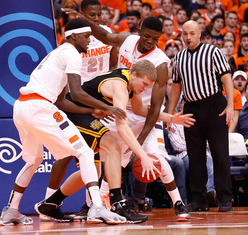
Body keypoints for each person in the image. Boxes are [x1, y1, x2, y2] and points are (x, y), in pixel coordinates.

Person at [0, 18, 128, 226]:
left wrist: (92, 111)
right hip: (39, 107)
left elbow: (62, 101)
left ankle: (11, 210)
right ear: (74, 36)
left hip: (22, 106)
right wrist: (107, 107)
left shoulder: (57, 53)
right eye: (87, 37)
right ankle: (96, 207)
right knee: (85, 152)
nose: (90, 41)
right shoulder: (72, 53)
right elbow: (77, 92)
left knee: (33, 161)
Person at [40, 60, 193, 223]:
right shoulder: (120, 87)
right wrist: (143, 156)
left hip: (83, 115)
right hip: (72, 113)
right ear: (134, 75)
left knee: (94, 171)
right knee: (113, 143)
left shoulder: (130, 83)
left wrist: (171, 118)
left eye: (148, 86)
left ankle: (50, 203)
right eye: (144, 84)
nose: (145, 88)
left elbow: (140, 110)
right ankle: (117, 203)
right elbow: (122, 126)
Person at [168, 20, 234, 212]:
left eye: (192, 33)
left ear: (199, 34)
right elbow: (176, 87)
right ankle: (199, 199)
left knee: (220, 154)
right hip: (191, 108)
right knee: (195, 156)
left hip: (214, 105)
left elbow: (226, 78)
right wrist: (171, 114)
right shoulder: (179, 57)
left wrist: (230, 105)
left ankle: (225, 198)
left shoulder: (213, 52)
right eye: (185, 34)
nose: (188, 37)